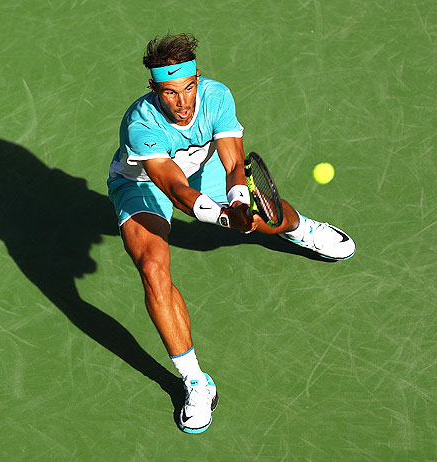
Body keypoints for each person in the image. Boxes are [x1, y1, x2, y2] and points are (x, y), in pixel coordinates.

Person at [107, 33, 355, 434]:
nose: (183, 103)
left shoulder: (217, 96)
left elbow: (234, 159)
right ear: (153, 89)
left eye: (188, 89)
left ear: (198, 79)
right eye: (169, 93)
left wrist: (240, 202)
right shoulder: (140, 125)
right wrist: (224, 218)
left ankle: (302, 229)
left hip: (207, 172)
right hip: (144, 185)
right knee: (153, 268)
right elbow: (172, 188)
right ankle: (195, 381)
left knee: (267, 216)